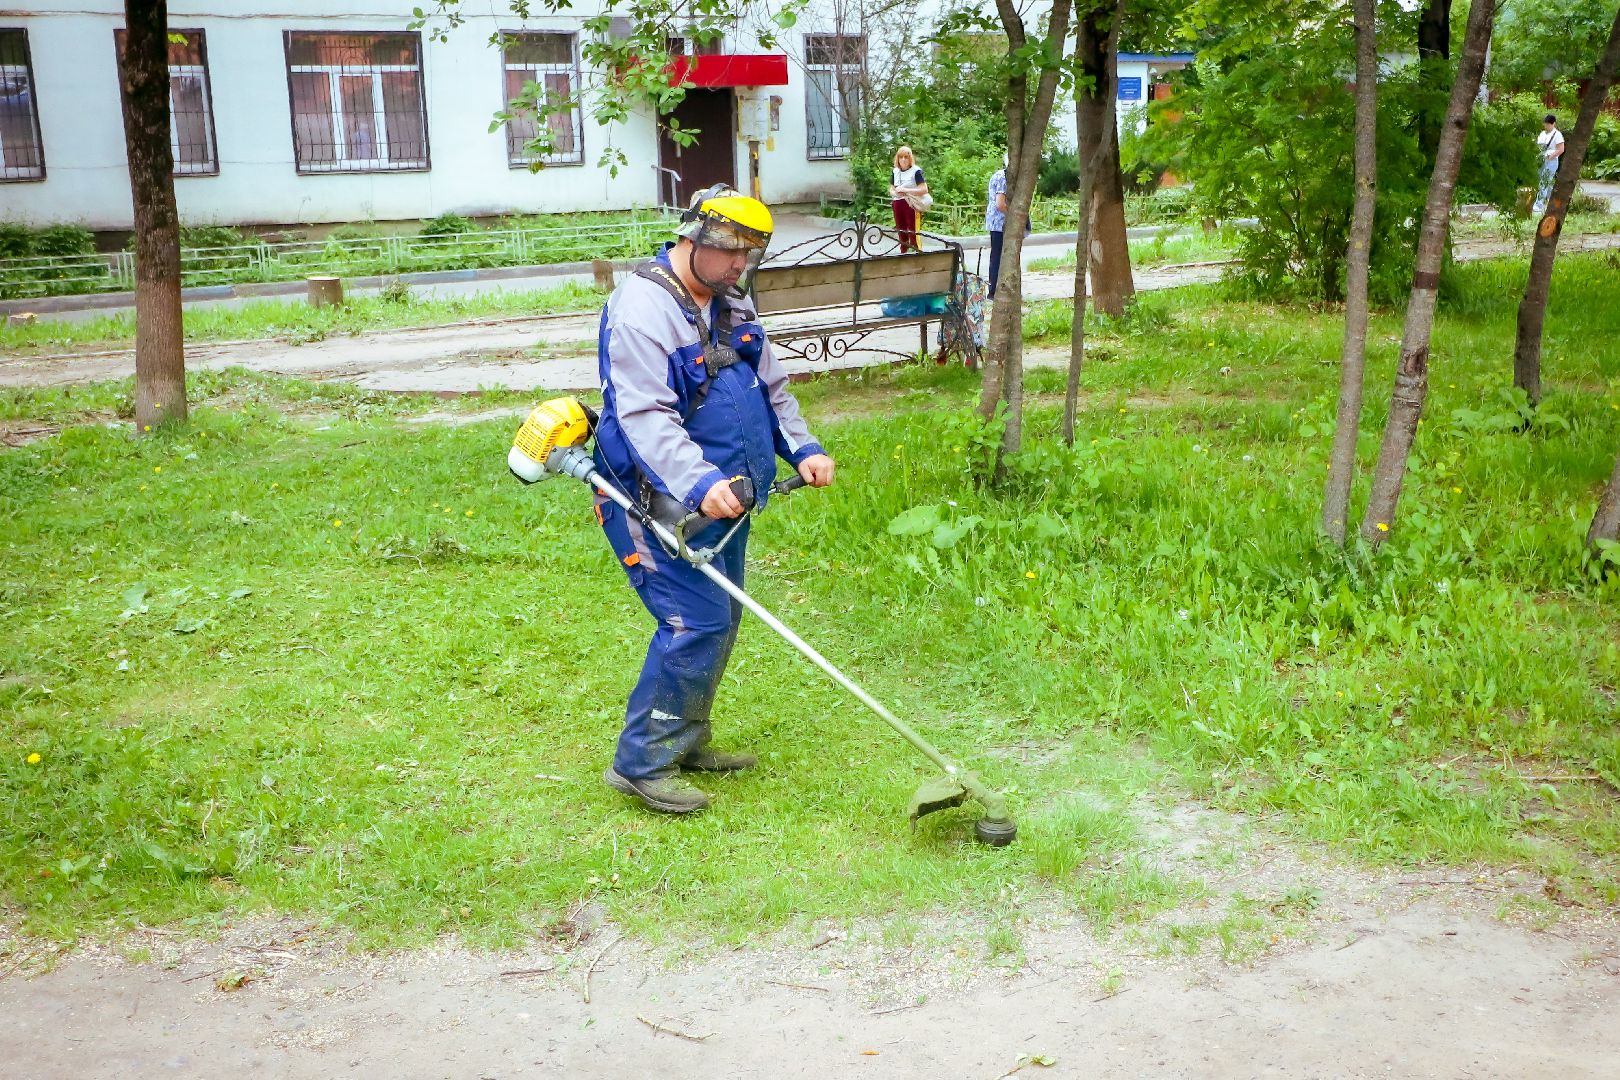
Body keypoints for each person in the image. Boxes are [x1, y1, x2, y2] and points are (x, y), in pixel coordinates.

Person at [591, 185, 836, 815]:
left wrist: (801, 447)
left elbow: (769, 381)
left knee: (720, 619)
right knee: (691, 620)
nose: (739, 267)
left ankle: (686, 738)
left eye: (750, 255)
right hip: (656, 501)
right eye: (730, 252)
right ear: (690, 238)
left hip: (726, 500)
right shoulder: (641, 310)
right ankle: (640, 764)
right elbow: (645, 418)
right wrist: (701, 484)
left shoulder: (731, 300)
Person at [890, 145, 928, 253]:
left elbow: (924, 189)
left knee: (913, 231)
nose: (903, 160)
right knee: (901, 230)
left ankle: (917, 252)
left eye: (906, 157)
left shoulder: (916, 171)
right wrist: (895, 192)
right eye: (901, 157)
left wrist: (906, 190)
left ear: (910, 158)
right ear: (897, 159)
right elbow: (891, 189)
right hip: (898, 203)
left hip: (911, 203)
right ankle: (904, 252)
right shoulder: (895, 171)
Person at [984, 152, 1009, 298]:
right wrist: (1013, 215)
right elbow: (1000, 203)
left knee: (997, 255)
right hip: (999, 221)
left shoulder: (1000, 174)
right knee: (998, 256)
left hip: (996, 221)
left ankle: (995, 289)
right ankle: (993, 291)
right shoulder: (1003, 177)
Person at [1534, 113, 1565, 215]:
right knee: (1541, 180)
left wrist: (1550, 156)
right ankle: (1555, 200)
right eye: (1545, 124)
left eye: (1548, 124)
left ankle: (1539, 204)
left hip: (1551, 161)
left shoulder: (1557, 135)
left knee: (1544, 181)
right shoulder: (1542, 134)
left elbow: (1561, 149)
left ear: (1553, 124)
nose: (1546, 126)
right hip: (1541, 160)